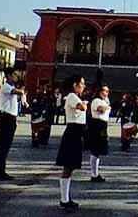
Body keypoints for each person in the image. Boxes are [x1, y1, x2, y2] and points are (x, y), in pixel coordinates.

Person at [56, 75, 88, 211]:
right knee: (68, 166)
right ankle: (64, 199)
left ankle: (66, 197)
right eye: (82, 83)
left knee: (71, 166)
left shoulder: (75, 97)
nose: (84, 86)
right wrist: (85, 104)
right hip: (73, 131)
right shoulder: (72, 96)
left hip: (77, 131)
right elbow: (82, 108)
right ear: (75, 85)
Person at [0, 68, 23, 181]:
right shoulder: (6, 86)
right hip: (6, 118)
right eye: (14, 75)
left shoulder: (11, 87)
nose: (16, 77)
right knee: (3, 146)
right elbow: (18, 92)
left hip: (11, 118)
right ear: (9, 76)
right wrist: (22, 90)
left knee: (6, 146)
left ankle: (2, 170)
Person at [88, 85, 111, 182]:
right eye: (104, 91)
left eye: (107, 91)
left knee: (98, 151)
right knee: (95, 150)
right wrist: (107, 107)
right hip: (97, 125)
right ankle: (94, 174)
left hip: (103, 125)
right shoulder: (96, 100)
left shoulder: (105, 101)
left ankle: (95, 173)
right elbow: (101, 109)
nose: (106, 93)